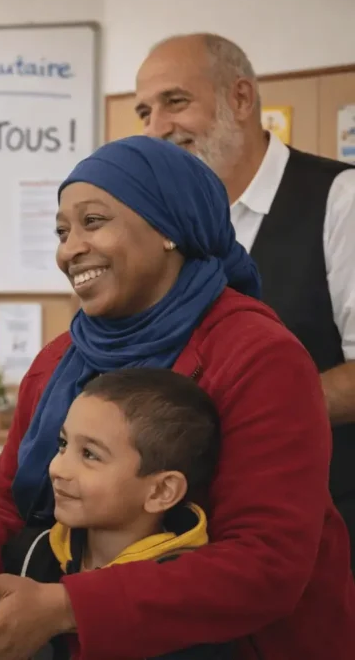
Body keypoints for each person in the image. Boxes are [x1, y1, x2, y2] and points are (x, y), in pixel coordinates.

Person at [0, 136, 355, 660]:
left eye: (93, 222)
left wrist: (66, 607)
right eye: (62, 231)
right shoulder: (57, 362)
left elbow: (266, 563)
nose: (70, 248)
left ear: (168, 229)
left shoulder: (258, 357)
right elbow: (12, 509)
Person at [133, 33, 355, 567]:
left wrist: (234, 415)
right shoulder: (167, 230)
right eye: (144, 111)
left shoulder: (340, 200)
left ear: (240, 98)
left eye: (175, 101)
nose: (157, 127)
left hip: (327, 536)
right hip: (201, 543)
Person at [5, 368, 229, 660]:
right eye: (63, 444)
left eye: (89, 455)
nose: (57, 469)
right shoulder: (30, 553)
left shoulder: (188, 607)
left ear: (161, 491)